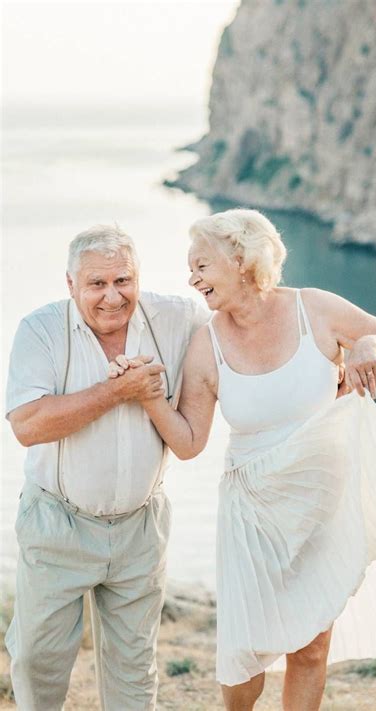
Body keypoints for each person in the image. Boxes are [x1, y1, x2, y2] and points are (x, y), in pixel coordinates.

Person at [110, 209, 376, 711]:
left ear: (240, 259)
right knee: (246, 654)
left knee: (311, 645)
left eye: (202, 266)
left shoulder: (314, 309)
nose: (192, 278)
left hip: (323, 503)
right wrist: (149, 398)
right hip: (252, 512)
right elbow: (190, 442)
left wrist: (369, 341)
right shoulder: (205, 344)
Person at [5, 224, 208, 711]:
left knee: (135, 671)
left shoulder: (179, 317)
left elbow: (247, 316)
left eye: (124, 281)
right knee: (38, 660)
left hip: (142, 526)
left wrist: (340, 352)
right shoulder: (40, 329)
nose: (113, 297)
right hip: (58, 524)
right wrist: (119, 392)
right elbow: (28, 425)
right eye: (97, 284)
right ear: (71, 284)